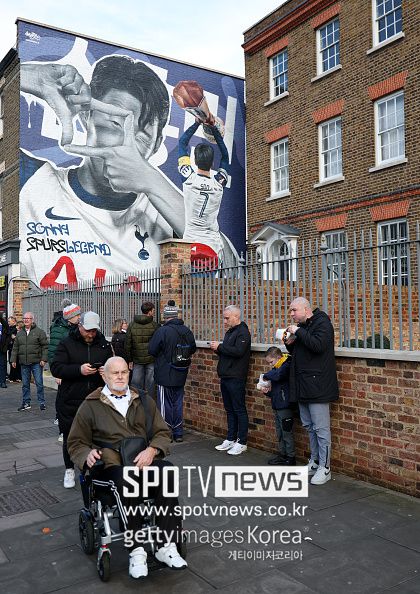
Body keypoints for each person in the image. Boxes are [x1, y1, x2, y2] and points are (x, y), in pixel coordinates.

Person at [19, 55, 185, 287]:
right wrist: (28, 76)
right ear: (86, 116)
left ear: (157, 144)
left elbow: (225, 266)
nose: (126, 148)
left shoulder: (168, 218)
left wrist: (153, 182)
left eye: (142, 136)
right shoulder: (32, 182)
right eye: (116, 124)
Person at [67, 356, 187, 578]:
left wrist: (153, 450)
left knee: (167, 471)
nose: (120, 377)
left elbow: (162, 432)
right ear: (104, 375)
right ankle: (137, 550)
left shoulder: (144, 400)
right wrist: (86, 454)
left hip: (142, 461)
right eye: (115, 373)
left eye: (124, 372)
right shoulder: (90, 405)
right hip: (110, 467)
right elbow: (75, 443)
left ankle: (166, 546)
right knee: (127, 478)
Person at [51, 311, 113, 489]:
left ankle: (93, 469)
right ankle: (69, 469)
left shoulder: (104, 345)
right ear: (80, 326)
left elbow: (113, 366)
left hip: (96, 400)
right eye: (87, 330)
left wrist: (106, 372)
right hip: (70, 399)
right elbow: (56, 368)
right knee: (70, 436)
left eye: (94, 331)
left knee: (96, 437)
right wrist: (79, 370)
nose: (91, 334)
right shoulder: (67, 343)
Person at [285, 297, 339, 485]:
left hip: (318, 386)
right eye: (291, 310)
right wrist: (290, 343)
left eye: (294, 310)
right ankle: (315, 461)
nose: (291, 314)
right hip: (303, 384)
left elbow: (318, 345)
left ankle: (325, 467)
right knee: (309, 426)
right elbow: (300, 352)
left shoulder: (322, 323)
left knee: (321, 429)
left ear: (306, 309)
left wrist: (298, 332)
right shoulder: (304, 326)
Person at [178, 120, 230, 268]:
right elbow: (225, 156)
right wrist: (215, 130)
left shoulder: (189, 179)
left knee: (188, 282)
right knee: (213, 282)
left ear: (194, 161)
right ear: (212, 163)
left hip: (191, 243)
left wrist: (196, 123)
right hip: (212, 245)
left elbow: (182, 143)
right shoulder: (219, 183)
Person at [148, 301, 196, 442]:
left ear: (166, 316)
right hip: (181, 371)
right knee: (178, 403)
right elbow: (192, 349)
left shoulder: (162, 331)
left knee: (165, 404)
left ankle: (165, 433)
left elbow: (152, 350)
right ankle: (178, 433)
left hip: (165, 372)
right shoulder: (186, 330)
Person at [210, 305, 251, 456]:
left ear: (236, 316)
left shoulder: (243, 332)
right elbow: (228, 353)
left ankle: (242, 442)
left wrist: (220, 347)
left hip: (236, 376)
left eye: (227, 318)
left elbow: (239, 351)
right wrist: (219, 349)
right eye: (224, 318)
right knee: (229, 409)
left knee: (239, 409)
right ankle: (231, 438)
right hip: (226, 375)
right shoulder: (230, 332)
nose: (225, 321)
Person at [48, 302, 82, 442]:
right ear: (70, 317)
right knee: (63, 399)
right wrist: (57, 373)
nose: (80, 317)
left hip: (75, 368)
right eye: (77, 315)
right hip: (64, 370)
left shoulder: (77, 327)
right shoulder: (58, 329)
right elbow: (53, 352)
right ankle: (63, 431)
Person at [259, 347, 295, 466]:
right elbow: (276, 389)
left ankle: (291, 457)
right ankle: (283, 454)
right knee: (280, 433)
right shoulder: (277, 367)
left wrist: (265, 375)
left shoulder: (286, 365)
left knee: (287, 433)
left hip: (285, 405)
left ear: (278, 357)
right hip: (277, 404)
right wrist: (267, 392)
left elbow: (278, 376)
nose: (270, 365)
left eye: (271, 362)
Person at [11, 313, 48, 411]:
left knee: (39, 383)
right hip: (24, 363)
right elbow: (15, 348)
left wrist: (44, 359)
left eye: (28, 318)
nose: (26, 320)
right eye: (24, 318)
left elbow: (45, 347)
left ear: (32, 320)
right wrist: (13, 359)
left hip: (36, 363)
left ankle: (42, 402)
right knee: (25, 385)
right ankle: (26, 403)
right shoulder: (20, 333)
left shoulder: (39, 332)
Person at [125, 302, 158, 397]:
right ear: (150, 312)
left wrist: (129, 359)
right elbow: (158, 343)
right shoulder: (155, 325)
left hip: (137, 359)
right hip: (151, 358)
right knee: (151, 384)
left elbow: (127, 344)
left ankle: (136, 402)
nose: (154, 312)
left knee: (136, 384)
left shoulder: (132, 325)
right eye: (153, 310)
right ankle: (149, 402)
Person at [7, 316, 21, 382]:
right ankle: (13, 377)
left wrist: (14, 337)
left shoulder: (16, 328)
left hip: (16, 348)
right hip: (11, 348)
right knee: (12, 362)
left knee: (16, 363)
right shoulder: (10, 328)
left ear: (13, 321)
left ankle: (16, 377)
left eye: (9, 321)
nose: (8, 322)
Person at [0, 317, 11, 389]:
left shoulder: (4, 325)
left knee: (2, 365)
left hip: (2, 349)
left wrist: (5, 346)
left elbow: (8, 336)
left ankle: (2, 382)